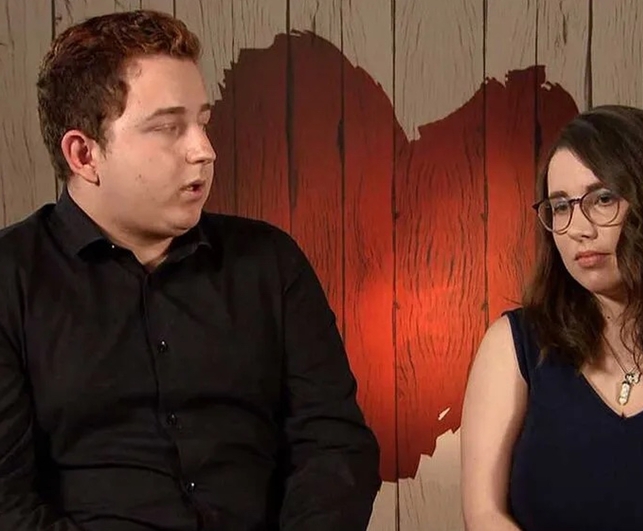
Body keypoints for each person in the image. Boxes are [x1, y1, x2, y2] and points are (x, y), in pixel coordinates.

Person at [0, 9, 380, 531]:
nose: (204, 150)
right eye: (168, 128)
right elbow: (7, 504)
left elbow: (334, 445)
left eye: (202, 122)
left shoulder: (269, 262)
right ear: (84, 154)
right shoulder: (11, 279)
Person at [460, 104, 643, 531]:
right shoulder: (514, 344)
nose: (577, 228)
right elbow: (485, 514)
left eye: (602, 199)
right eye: (561, 207)